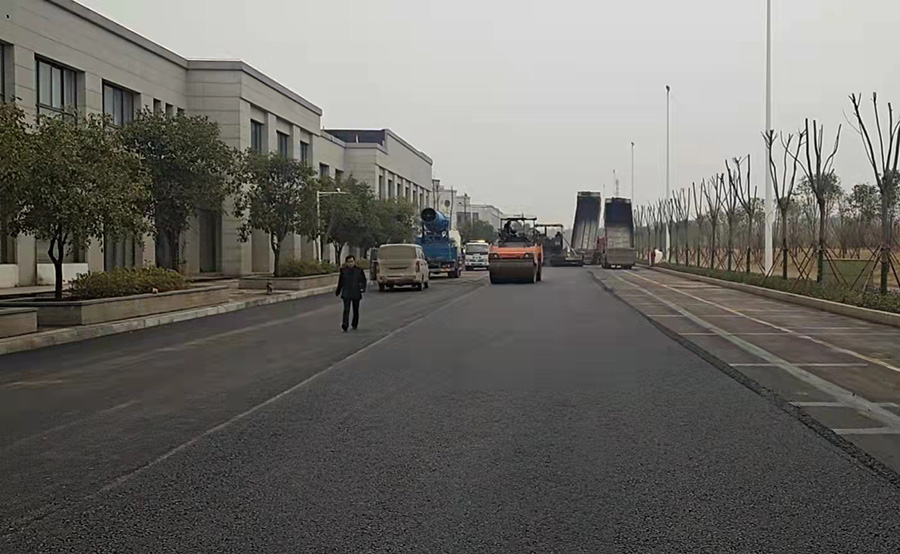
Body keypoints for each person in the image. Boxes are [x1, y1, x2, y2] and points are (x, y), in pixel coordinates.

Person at [335, 255, 367, 332]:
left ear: (354, 262)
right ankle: (345, 324)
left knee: (355, 309)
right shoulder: (343, 271)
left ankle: (354, 323)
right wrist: (338, 291)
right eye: (349, 262)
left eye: (352, 261)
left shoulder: (359, 270)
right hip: (346, 292)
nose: (350, 263)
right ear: (346, 262)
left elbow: (363, 280)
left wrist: (362, 288)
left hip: (356, 292)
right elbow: (340, 282)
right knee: (346, 309)